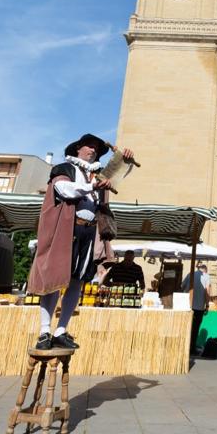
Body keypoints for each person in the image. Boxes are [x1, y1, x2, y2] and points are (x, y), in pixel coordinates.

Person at [27, 134, 132, 351]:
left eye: (96, 148)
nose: (93, 150)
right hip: (66, 229)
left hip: (89, 232)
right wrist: (92, 186)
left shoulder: (96, 174)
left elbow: (114, 176)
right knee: (55, 279)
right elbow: (64, 190)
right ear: (78, 149)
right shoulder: (65, 168)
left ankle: (61, 330)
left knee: (77, 281)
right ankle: (45, 331)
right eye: (89, 146)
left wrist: (126, 160)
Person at [181, 263, 211, 354]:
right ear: (205, 270)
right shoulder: (206, 276)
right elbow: (207, 292)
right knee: (195, 329)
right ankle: (192, 349)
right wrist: (207, 305)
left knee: (187, 327)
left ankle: (185, 347)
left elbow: (182, 287)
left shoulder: (190, 274)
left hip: (188, 306)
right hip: (199, 307)